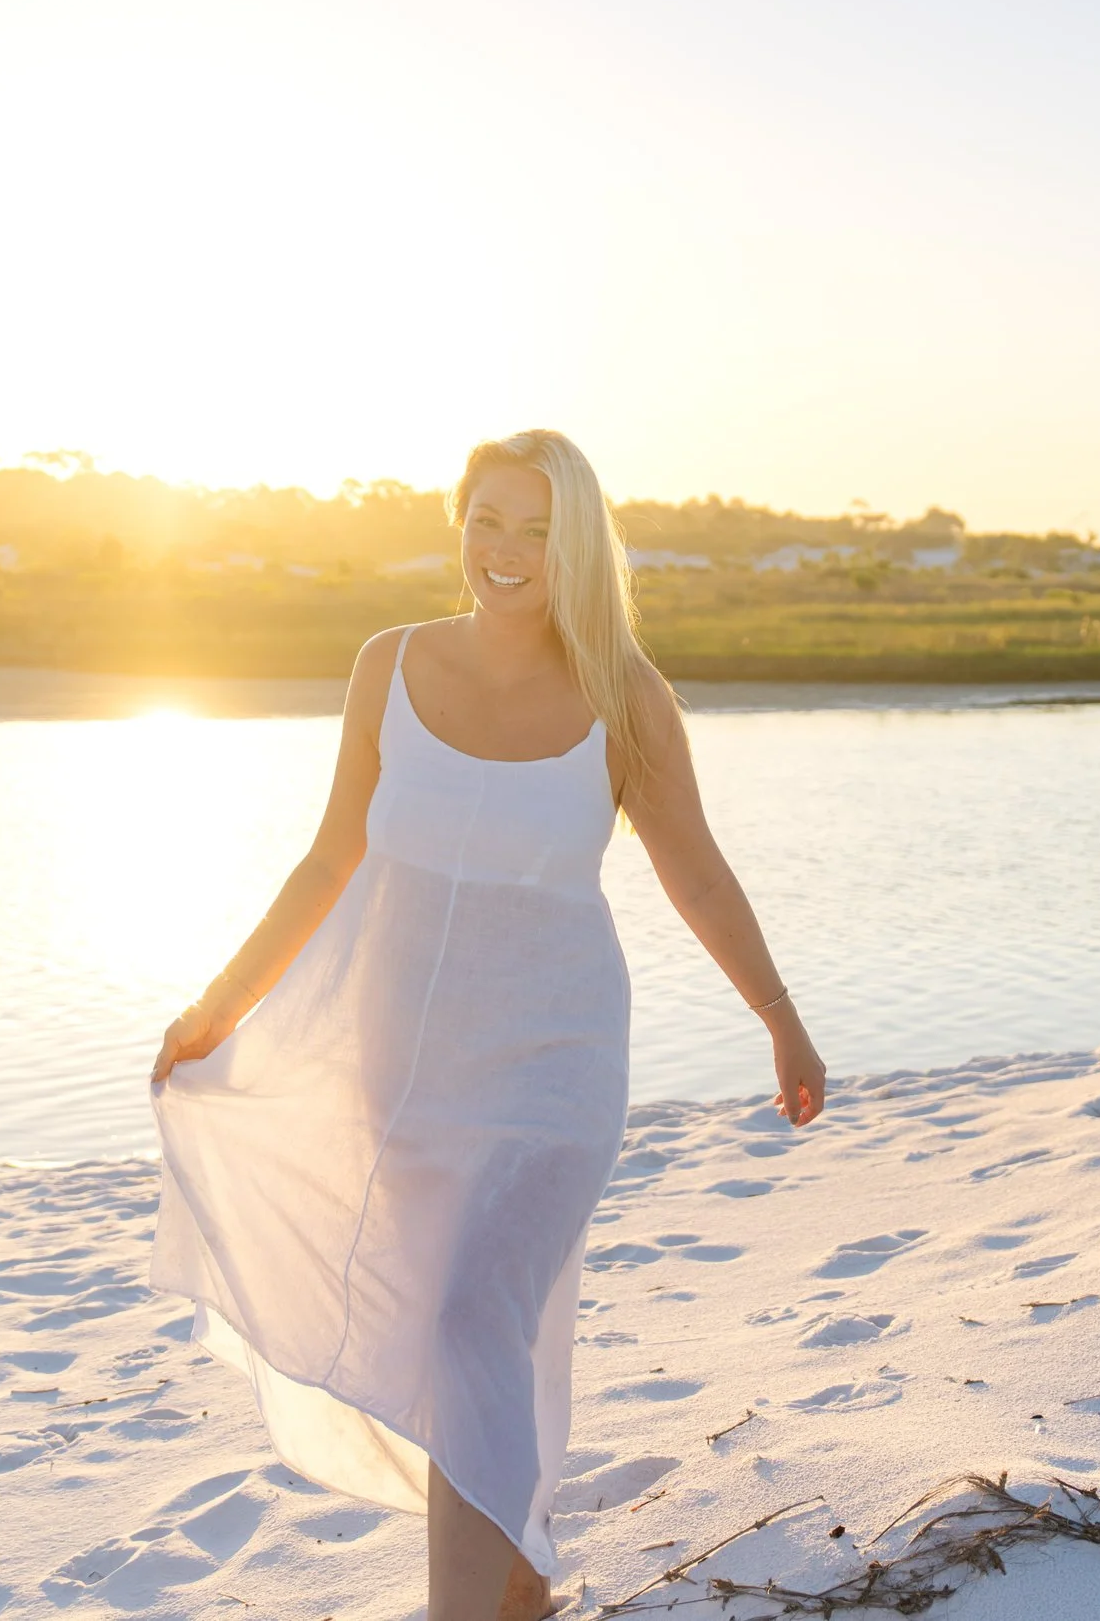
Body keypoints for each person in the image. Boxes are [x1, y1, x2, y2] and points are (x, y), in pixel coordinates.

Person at [148, 429, 828, 1621]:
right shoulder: (388, 663)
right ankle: (518, 1574)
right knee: (466, 1336)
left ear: (578, 545)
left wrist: (777, 1016)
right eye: (486, 520)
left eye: (537, 528)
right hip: (401, 1065)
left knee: (474, 1313)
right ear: (456, 524)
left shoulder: (624, 692)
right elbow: (327, 860)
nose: (505, 551)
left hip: (553, 1067)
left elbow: (697, 874)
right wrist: (217, 1006)